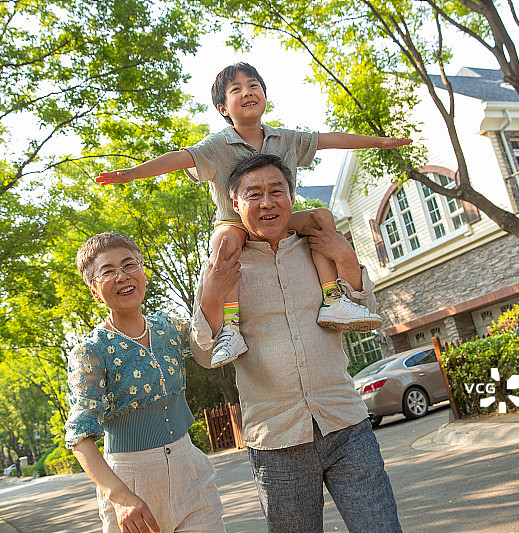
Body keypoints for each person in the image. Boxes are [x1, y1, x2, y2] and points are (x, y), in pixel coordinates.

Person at [97, 62, 411, 368]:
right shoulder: (218, 145)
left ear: (264, 94)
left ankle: (333, 300)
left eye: (253, 86)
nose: (248, 92)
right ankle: (231, 328)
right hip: (234, 223)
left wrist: (378, 142)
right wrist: (132, 173)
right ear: (223, 108)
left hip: (280, 220)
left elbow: (328, 139)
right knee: (224, 245)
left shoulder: (284, 138)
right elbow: (180, 158)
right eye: (237, 89)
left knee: (322, 218)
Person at [191, 154, 402, 532]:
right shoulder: (222, 267)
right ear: (236, 205)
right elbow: (205, 356)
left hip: (346, 424)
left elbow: (366, 314)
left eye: (277, 191)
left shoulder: (318, 246)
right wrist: (212, 294)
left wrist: (345, 257)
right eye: (254, 194)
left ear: (292, 197)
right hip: (276, 441)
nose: (267, 202)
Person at [65, 232, 232, 533]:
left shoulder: (169, 327)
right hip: (132, 486)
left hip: (190, 472)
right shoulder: (91, 351)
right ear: (94, 290)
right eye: (107, 271)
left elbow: (208, 350)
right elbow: (79, 437)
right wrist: (120, 498)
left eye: (129, 265)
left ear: (142, 272)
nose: (122, 276)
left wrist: (216, 289)